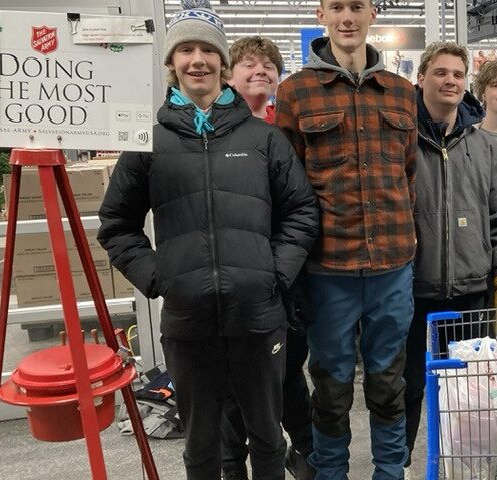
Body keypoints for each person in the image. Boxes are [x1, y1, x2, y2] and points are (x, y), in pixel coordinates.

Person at [97, 1, 320, 478]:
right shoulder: (149, 142)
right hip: (189, 320)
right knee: (202, 442)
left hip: (258, 316)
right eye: (186, 50)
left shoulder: (263, 139)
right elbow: (116, 222)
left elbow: (301, 211)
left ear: (222, 62)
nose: (197, 60)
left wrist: (273, 272)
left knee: (266, 436)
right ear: (172, 62)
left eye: (207, 50)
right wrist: (159, 277)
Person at [274, 0, 418, 477]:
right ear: (322, 15)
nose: (347, 17)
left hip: (392, 266)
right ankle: (331, 471)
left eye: (357, 6)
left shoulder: (401, 92)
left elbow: (409, 172)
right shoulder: (296, 92)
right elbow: (287, 185)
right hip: (328, 267)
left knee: (388, 381)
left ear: (372, 13)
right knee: (331, 384)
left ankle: (390, 471)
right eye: (336, 7)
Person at [404, 41, 497, 469]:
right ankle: (402, 466)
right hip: (411, 295)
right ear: (421, 78)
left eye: (457, 74)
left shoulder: (485, 148)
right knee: (405, 390)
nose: (450, 81)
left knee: (471, 396)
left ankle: (468, 470)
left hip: (472, 295)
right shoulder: (401, 139)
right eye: (440, 72)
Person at [221, 35, 316, 480]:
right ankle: (235, 464)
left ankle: (306, 453)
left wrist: (283, 270)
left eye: (268, 65)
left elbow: (301, 205)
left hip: (285, 275)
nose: (260, 70)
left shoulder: (286, 131)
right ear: (229, 75)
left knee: (289, 370)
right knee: (235, 382)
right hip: (233, 277)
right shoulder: (213, 131)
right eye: (249, 64)